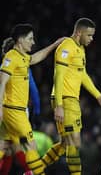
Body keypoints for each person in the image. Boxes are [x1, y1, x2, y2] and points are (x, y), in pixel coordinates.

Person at [41, 18, 101, 175]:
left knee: (65, 143)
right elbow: (58, 76)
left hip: (72, 100)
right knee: (74, 141)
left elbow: (83, 76)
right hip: (65, 99)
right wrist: (59, 105)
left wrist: (98, 96)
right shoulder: (66, 46)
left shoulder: (80, 49)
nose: (91, 39)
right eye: (89, 35)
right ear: (79, 32)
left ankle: (34, 170)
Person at [0, 23, 64, 175]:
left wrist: (54, 44)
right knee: (31, 149)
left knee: (6, 149)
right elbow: (1, 83)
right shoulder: (11, 57)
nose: (33, 42)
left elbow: (36, 57)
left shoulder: (22, 58)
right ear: (20, 40)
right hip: (14, 112)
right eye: (30, 39)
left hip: (15, 111)